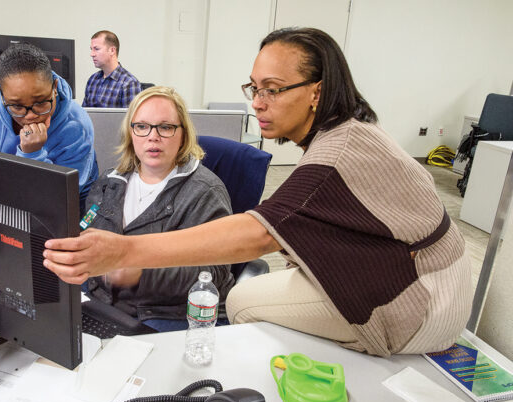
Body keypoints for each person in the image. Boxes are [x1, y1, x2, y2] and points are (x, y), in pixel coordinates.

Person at [43, 28, 472, 357]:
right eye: (254, 88)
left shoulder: (334, 151)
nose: (257, 102)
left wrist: (124, 254)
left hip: (423, 303)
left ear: (316, 92)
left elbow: (256, 235)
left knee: (247, 302)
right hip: (422, 273)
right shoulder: (112, 182)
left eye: (273, 89)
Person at [84, 86, 235, 331]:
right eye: (142, 126)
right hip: (104, 303)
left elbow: (213, 272)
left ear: (183, 135)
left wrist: (140, 274)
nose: (153, 137)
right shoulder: (109, 182)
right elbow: (87, 231)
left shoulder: (204, 192)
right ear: (131, 133)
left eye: (165, 127)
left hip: (168, 314)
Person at [0, 43, 98, 212]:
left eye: (40, 103)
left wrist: (33, 154)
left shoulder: (77, 127)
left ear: (54, 88)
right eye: (17, 107)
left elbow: (56, 203)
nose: (30, 116)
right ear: (1, 95)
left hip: (48, 217)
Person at [82, 30, 141, 108]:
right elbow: (84, 115)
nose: (92, 54)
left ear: (112, 50)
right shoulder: (93, 80)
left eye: (96, 49)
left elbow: (130, 119)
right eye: (91, 49)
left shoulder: (129, 83)